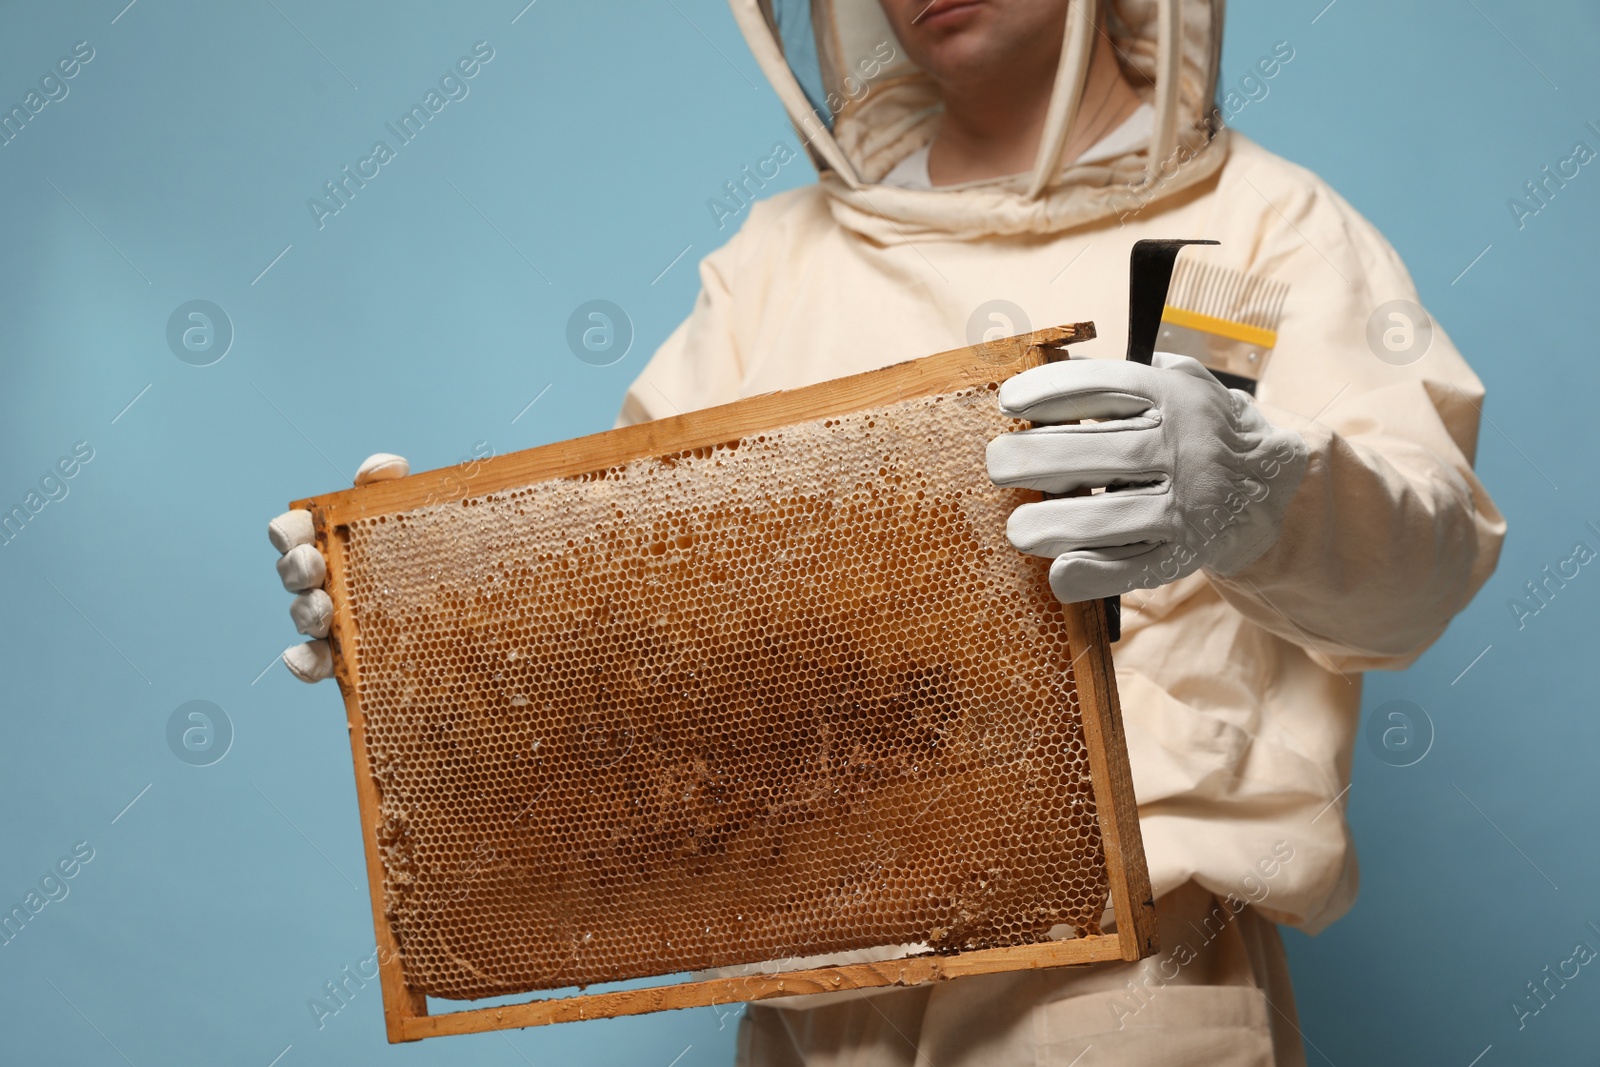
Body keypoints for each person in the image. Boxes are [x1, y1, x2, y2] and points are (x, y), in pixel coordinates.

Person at [267, 0, 1505, 1062]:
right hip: (806, 990)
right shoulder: (773, 265)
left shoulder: (1263, 229)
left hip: (1119, 988)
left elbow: (1421, 579)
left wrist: (1262, 492)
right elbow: (641, 632)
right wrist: (429, 612)